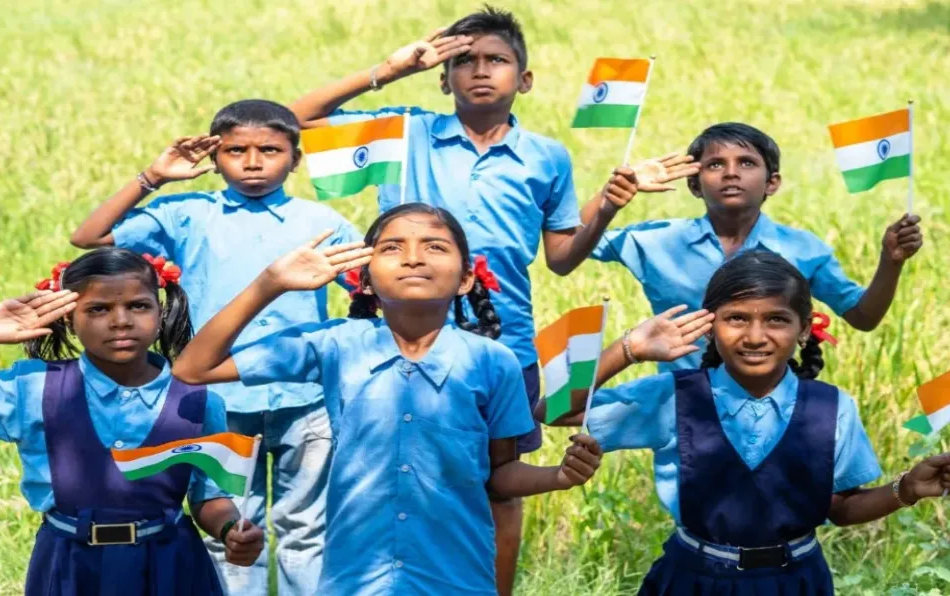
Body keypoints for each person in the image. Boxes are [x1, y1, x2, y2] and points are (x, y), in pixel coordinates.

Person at [289, 9, 695, 588]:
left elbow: (561, 257)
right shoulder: (405, 132)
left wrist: (608, 204)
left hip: (502, 339)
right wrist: (386, 71)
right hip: (399, 333)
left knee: (499, 485)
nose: (481, 71)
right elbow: (292, 121)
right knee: (396, 474)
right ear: (442, 75)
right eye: (464, 61)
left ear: (524, 79)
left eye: (497, 60)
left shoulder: (546, 156)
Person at [173, 204, 603, 595]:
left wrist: (559, 475)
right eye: (393, 247)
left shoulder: (495, 362)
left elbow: (499, 474)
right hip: (354, 581)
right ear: (364, 280)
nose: (414, 258)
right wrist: (270, 284)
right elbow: (193, 369)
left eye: (435, 246)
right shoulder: (335, 344)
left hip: (456, 579)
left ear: (466, 278)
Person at [541, 250, 950, 594]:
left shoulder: (832, 407)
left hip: (796, 580)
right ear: (710, 327)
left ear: (805, 329)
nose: (755, 336)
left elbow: (839, 507)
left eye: (776, 319)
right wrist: (630, 349)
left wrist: (907, 489)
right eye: (737, 318)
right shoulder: (673, 396)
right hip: (693, 578)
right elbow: (551, 411)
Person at [70, 99, 360, 594]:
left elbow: (373, 291)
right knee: (229, 529)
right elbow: (89, 237)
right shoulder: (186, 213)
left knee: (307, 531)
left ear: (296, 158)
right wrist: (154, 176)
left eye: (269, 149)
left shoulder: (322, 223)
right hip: (216, 401)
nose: (252, 162)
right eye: (235, 150)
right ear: (214, 156)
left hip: (305, 400)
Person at [0, 247, 263, 595]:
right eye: (98, 309)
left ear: (160, 311)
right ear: (69, 318)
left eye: (138, 306)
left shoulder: (197, 399)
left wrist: (231, 530)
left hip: (171, 570)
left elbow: (208, 496)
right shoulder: (31, 389)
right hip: (69, 569)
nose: (120, 321)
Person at [590, 122, 924, 372]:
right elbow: (571, 241)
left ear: (772, 183)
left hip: (769, 402)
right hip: (683, 402)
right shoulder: (656, 241)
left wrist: (890, 262)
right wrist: (612, 196)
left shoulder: (803, 249)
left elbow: (862, 316)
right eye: (715, 164)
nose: (731, 173)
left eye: (747, 163)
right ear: (694, 184)